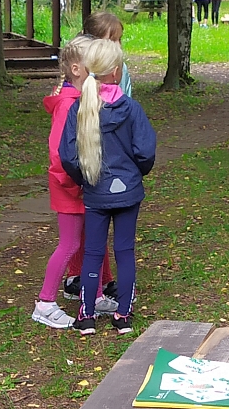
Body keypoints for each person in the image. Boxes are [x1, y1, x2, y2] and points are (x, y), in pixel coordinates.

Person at [59, 36, 157, 338]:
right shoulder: (132, 109)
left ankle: (87, 315)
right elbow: (145, 152)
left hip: (95, 192)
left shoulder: (80, 109)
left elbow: (68, 155)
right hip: (128, 192)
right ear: (116, 71)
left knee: (92, 253)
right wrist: (135, 175)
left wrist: (85, 179)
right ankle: (123, 315)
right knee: (125, 251)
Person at [33, 50, 116, 330]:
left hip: (84, 185)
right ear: (78, 69)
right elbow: (59, 154)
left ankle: (95, 295)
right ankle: (45, 303)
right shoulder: (67, 105)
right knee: (70, 244)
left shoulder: (82, 100)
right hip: (70, 187)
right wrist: (75, 185)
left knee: (93, 240)